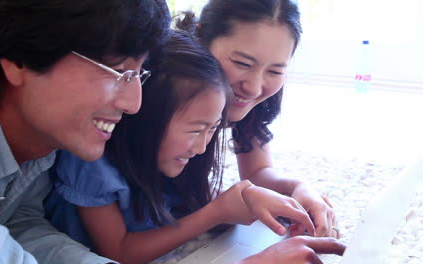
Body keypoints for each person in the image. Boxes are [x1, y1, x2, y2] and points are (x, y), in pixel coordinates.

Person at [44, 30, 316, 264]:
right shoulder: (92, 164)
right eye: (196, 129)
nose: (201, 148)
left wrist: (250, 199)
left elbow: (194, 202)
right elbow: (121, 252)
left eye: (212, 129)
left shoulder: (170, 157)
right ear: (144, 118)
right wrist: (216, 212)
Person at [0, 0, 170, 263]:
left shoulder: (40, 147)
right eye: (118, 73)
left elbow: (16, 223)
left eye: (137, 75)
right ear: (20, 58)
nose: (133, 104)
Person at [177, 0, 339, 239]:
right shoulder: (163, 90)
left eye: (275, 71)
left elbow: (258, 171)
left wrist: (297, 188)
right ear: (200, 38)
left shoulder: (251, 98)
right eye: (242, 63)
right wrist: (229, 202)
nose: (253, 88)